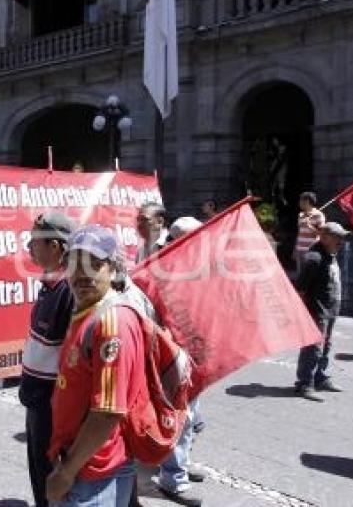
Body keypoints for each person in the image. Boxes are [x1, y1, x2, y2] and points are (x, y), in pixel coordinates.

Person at [46, 225, 145, 506]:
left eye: (95, 264)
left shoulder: (111, 322)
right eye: (75, 264)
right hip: (80, 462)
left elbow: (108, 412)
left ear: (112, 269)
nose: (83, 274)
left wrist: (66, 474)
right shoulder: (86, 312)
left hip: (94, 473)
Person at [19, 212, 76, 507]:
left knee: (50, 481)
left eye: (35, 241)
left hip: (52, 404)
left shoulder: (69, 290)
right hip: (36, 399)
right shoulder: (50, 284)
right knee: (39, 476)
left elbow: (72, 357)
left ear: (55, 246)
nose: (29, 247)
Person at [153, 217, 205, 507]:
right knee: (180, 420)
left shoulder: (196, 268)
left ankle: (180, 463)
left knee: (195, 420)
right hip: (172, 359)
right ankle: (173, 479)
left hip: (195, 356)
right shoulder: (161, 271)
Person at [294, 222, 350, 402]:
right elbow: (300, 288)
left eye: (342, 237)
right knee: (313, 348)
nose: (342, 241)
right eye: (338, 237)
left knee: (326, 347)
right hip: (317, 311)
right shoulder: (314, 257)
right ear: (324, 237)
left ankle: (320, 377)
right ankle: (304, 384)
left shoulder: (330, 253)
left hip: (331, 309)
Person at [293, 191, 325, 273]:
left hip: (311, 250)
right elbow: (300, 233)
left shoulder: (318, 215)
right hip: (300, 250)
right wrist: (295, 249)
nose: (299, 203)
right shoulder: (300, 215)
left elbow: (322, 233)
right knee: (300, 274)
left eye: (301, 200)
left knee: (310, 274)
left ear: (307, 201)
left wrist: (309, 226)